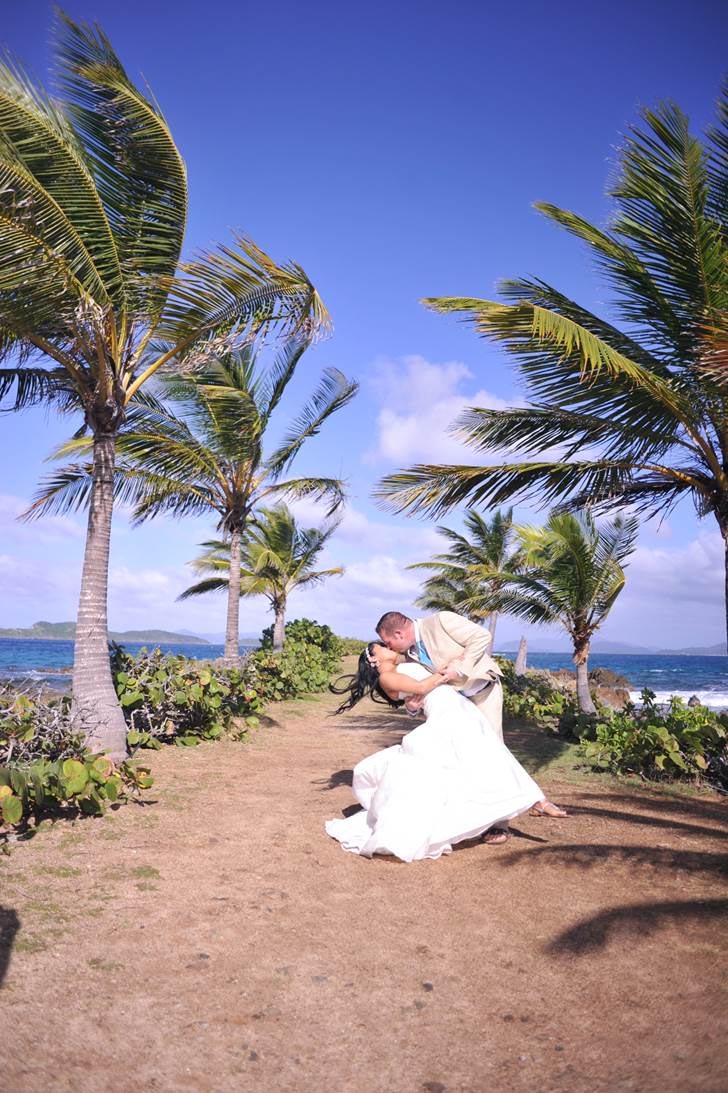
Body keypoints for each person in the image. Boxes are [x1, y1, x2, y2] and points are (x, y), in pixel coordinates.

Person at [325, 643, 566, 862]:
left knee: (487, 754)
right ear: (374, 660)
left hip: (460, 709)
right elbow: (421, 686)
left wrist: (457, 662)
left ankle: (533, 799)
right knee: (489, 754)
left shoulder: (406, 665)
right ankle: (536, 800)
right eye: (381, 648)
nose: (388, 648)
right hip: (446, 715)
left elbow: (417, 696)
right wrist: (447, 673)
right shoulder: (387, 677)